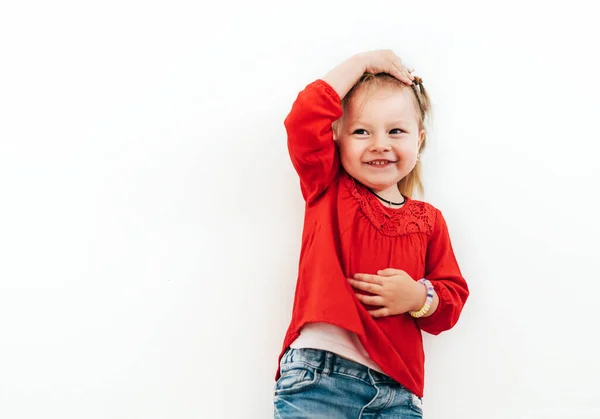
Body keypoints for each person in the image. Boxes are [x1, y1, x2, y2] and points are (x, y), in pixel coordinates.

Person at [273, 50, 470, 418]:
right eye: (361, 131)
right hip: (319, 378)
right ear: (337, 137)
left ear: (419, 138)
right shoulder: (327, 187)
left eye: (395, 131)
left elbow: (451, 301)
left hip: (398, 394)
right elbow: (303, 118)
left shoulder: (430, 221)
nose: (379, 144)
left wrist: (417, 296)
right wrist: (364, 63)